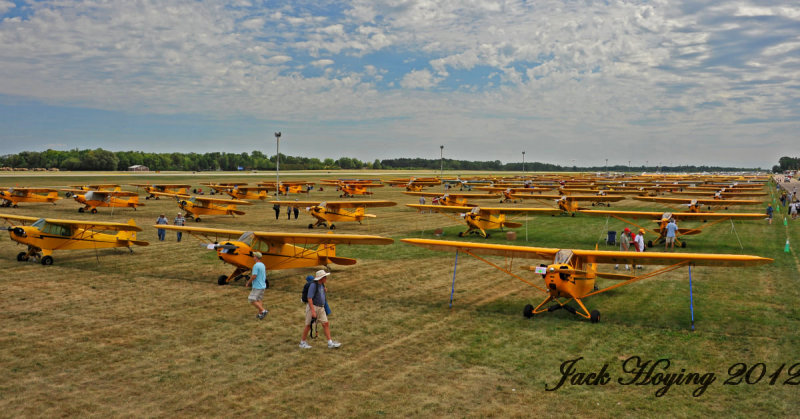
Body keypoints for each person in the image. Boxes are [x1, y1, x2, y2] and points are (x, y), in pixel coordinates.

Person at [299, 269, 341, 349]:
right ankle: (302, 342)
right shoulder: (313, 285)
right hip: (313, 307)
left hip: (321, 307)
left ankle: (330, 343)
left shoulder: (321, 285)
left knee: (326, 323)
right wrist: (313, 311)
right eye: (324, 277)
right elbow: (309, 298)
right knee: (308, 325)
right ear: (321, 278)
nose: (326, 278)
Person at [245, 252, 268, 320]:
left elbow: (254, 276)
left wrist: (248, 282)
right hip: (263, 285)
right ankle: (260, 314)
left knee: (251, 299)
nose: (253, 257)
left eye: (254, 256)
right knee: (259, 299)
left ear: (256, 257)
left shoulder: (256, 265)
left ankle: (263, 311)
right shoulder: (262, 265)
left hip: (257, 286)